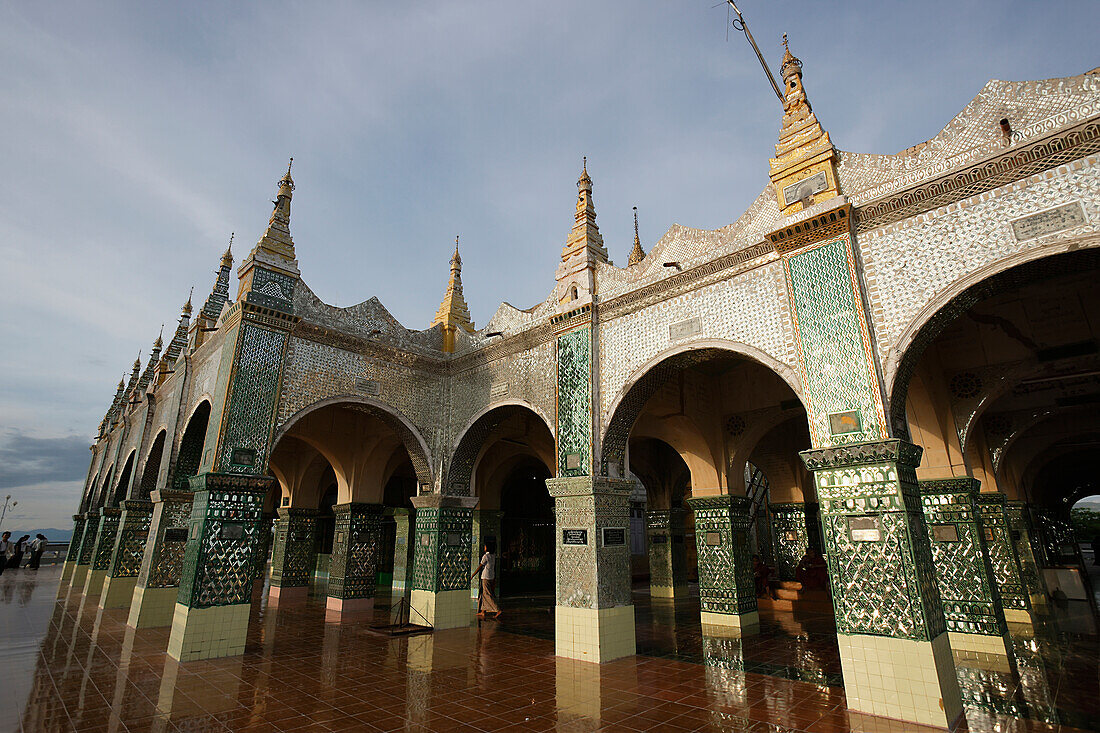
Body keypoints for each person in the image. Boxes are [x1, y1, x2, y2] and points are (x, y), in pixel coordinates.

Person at [470, 541, 502, 618]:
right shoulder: (493, 555)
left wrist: (473, 575)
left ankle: (497, 609)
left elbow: (480, 566)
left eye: (485, 546)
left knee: (487, 594)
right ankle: (483, 611)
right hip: (491, 576)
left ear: (487, 548)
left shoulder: (486, 556)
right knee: (483, 594)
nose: (484, 548)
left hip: (485, 577)